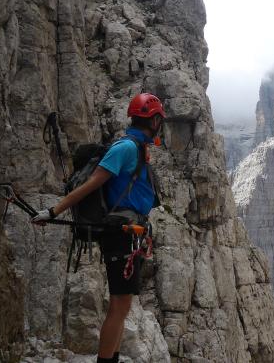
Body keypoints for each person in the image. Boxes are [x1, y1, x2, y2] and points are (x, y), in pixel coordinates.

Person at [32, 93, 166, 363]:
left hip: (129, 233)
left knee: (122, 305)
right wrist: (53, 211)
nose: (160, 125)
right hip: (120, 234)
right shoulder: (126, 149)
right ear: (152, 120)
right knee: (118, 306)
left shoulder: (138, 148)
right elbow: (92, 184)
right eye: (159, 120)